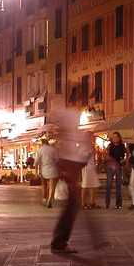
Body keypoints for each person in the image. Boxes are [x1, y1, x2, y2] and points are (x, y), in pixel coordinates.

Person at [49, 108, 89, 253]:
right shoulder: (68, 134)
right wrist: (67, 172)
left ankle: (59, 240)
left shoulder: (69, 133)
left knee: (72, 206)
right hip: (70, 171)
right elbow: (64, 154)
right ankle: (59, 241)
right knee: (72, 206)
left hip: (70, 170)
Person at [105, 131, 127, 209]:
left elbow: (128, 154)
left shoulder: (122, 146)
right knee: (109, 184)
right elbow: (106, 154)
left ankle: (118, 203)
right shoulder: (110, 146)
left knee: (118, 185)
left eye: (116, 136)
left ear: (119, 138)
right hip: (110, 166)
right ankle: (107, 203)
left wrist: (124, 160)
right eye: (113, 137)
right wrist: (109, 159)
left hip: (118, 165)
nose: (115, 138)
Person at [35, 137, 59, 207]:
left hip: (44, 169)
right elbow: (57, 160)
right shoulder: (53, 149)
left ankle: (44, 199)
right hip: (52, 169)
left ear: (42, 143)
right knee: (52, 186)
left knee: (44, 185)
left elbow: (36, 162)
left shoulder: (40, 150)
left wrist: (36, 173)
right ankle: (49, 200)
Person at [81, 131, 99, 209]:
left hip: (91, 166)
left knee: (93, 185)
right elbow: (79, 154)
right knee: (85, 185)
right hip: (86, 166)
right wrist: (88, 152)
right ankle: (83, 203)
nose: (93, 137)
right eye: (92, 136)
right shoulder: (85, 145)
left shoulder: (91, 145)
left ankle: (92, 202)